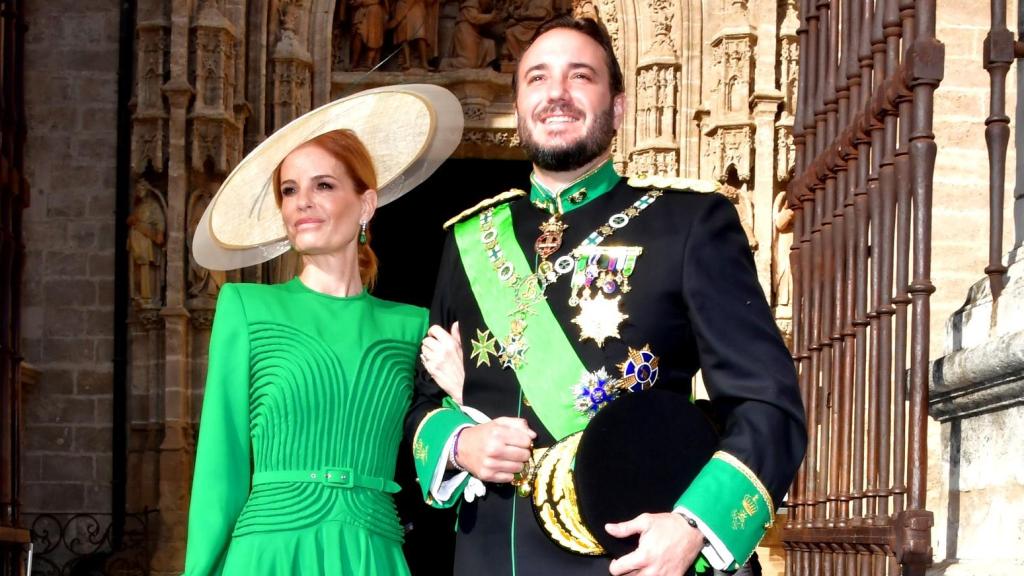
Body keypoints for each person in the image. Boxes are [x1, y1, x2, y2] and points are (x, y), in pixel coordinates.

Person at [409, 17, 806, 576]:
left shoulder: (688, 222)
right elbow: (426, 402)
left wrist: (693, 525)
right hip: (490, 558)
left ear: (618, 107)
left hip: (629, 561)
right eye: (537, 79)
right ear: (519, 104)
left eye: (580, 76)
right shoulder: (468, 240)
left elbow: (767, 404)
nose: (557, 94)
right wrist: (460, 443)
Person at [182, 85, 463, 575]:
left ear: (366, 204)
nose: (301, 203)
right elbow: (219, 467)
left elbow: (439, 464)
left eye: (324, 186)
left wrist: (462, 392)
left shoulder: (412, 325)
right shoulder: (246, 307)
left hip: (370, 556)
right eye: (289, 190)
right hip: (267, 556)